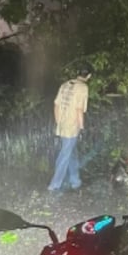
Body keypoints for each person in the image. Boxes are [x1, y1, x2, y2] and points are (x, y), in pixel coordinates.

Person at [49, 63, 92, 193]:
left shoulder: (65, 84)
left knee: (71, 152)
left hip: (61, 125)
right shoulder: (83, 88)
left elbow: (56, 105)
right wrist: (82, 128)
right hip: (72, 127)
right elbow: (79, 110)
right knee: (65, 155)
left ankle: (75, 181)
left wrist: (59, 123)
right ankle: (54, 184)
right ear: (89, 75)